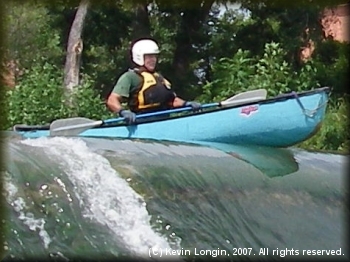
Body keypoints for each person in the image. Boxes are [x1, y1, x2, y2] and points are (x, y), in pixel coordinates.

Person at [106, 38, 201, 124]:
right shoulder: (130, 77)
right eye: (149, 57)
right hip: (142, 121)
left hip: (164, 121)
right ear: (139, 57)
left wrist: (186, 104)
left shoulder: (159, 78)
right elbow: (112, 100)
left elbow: (172, 100)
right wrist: (122, 112)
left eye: (154, 56)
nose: (153, 60)